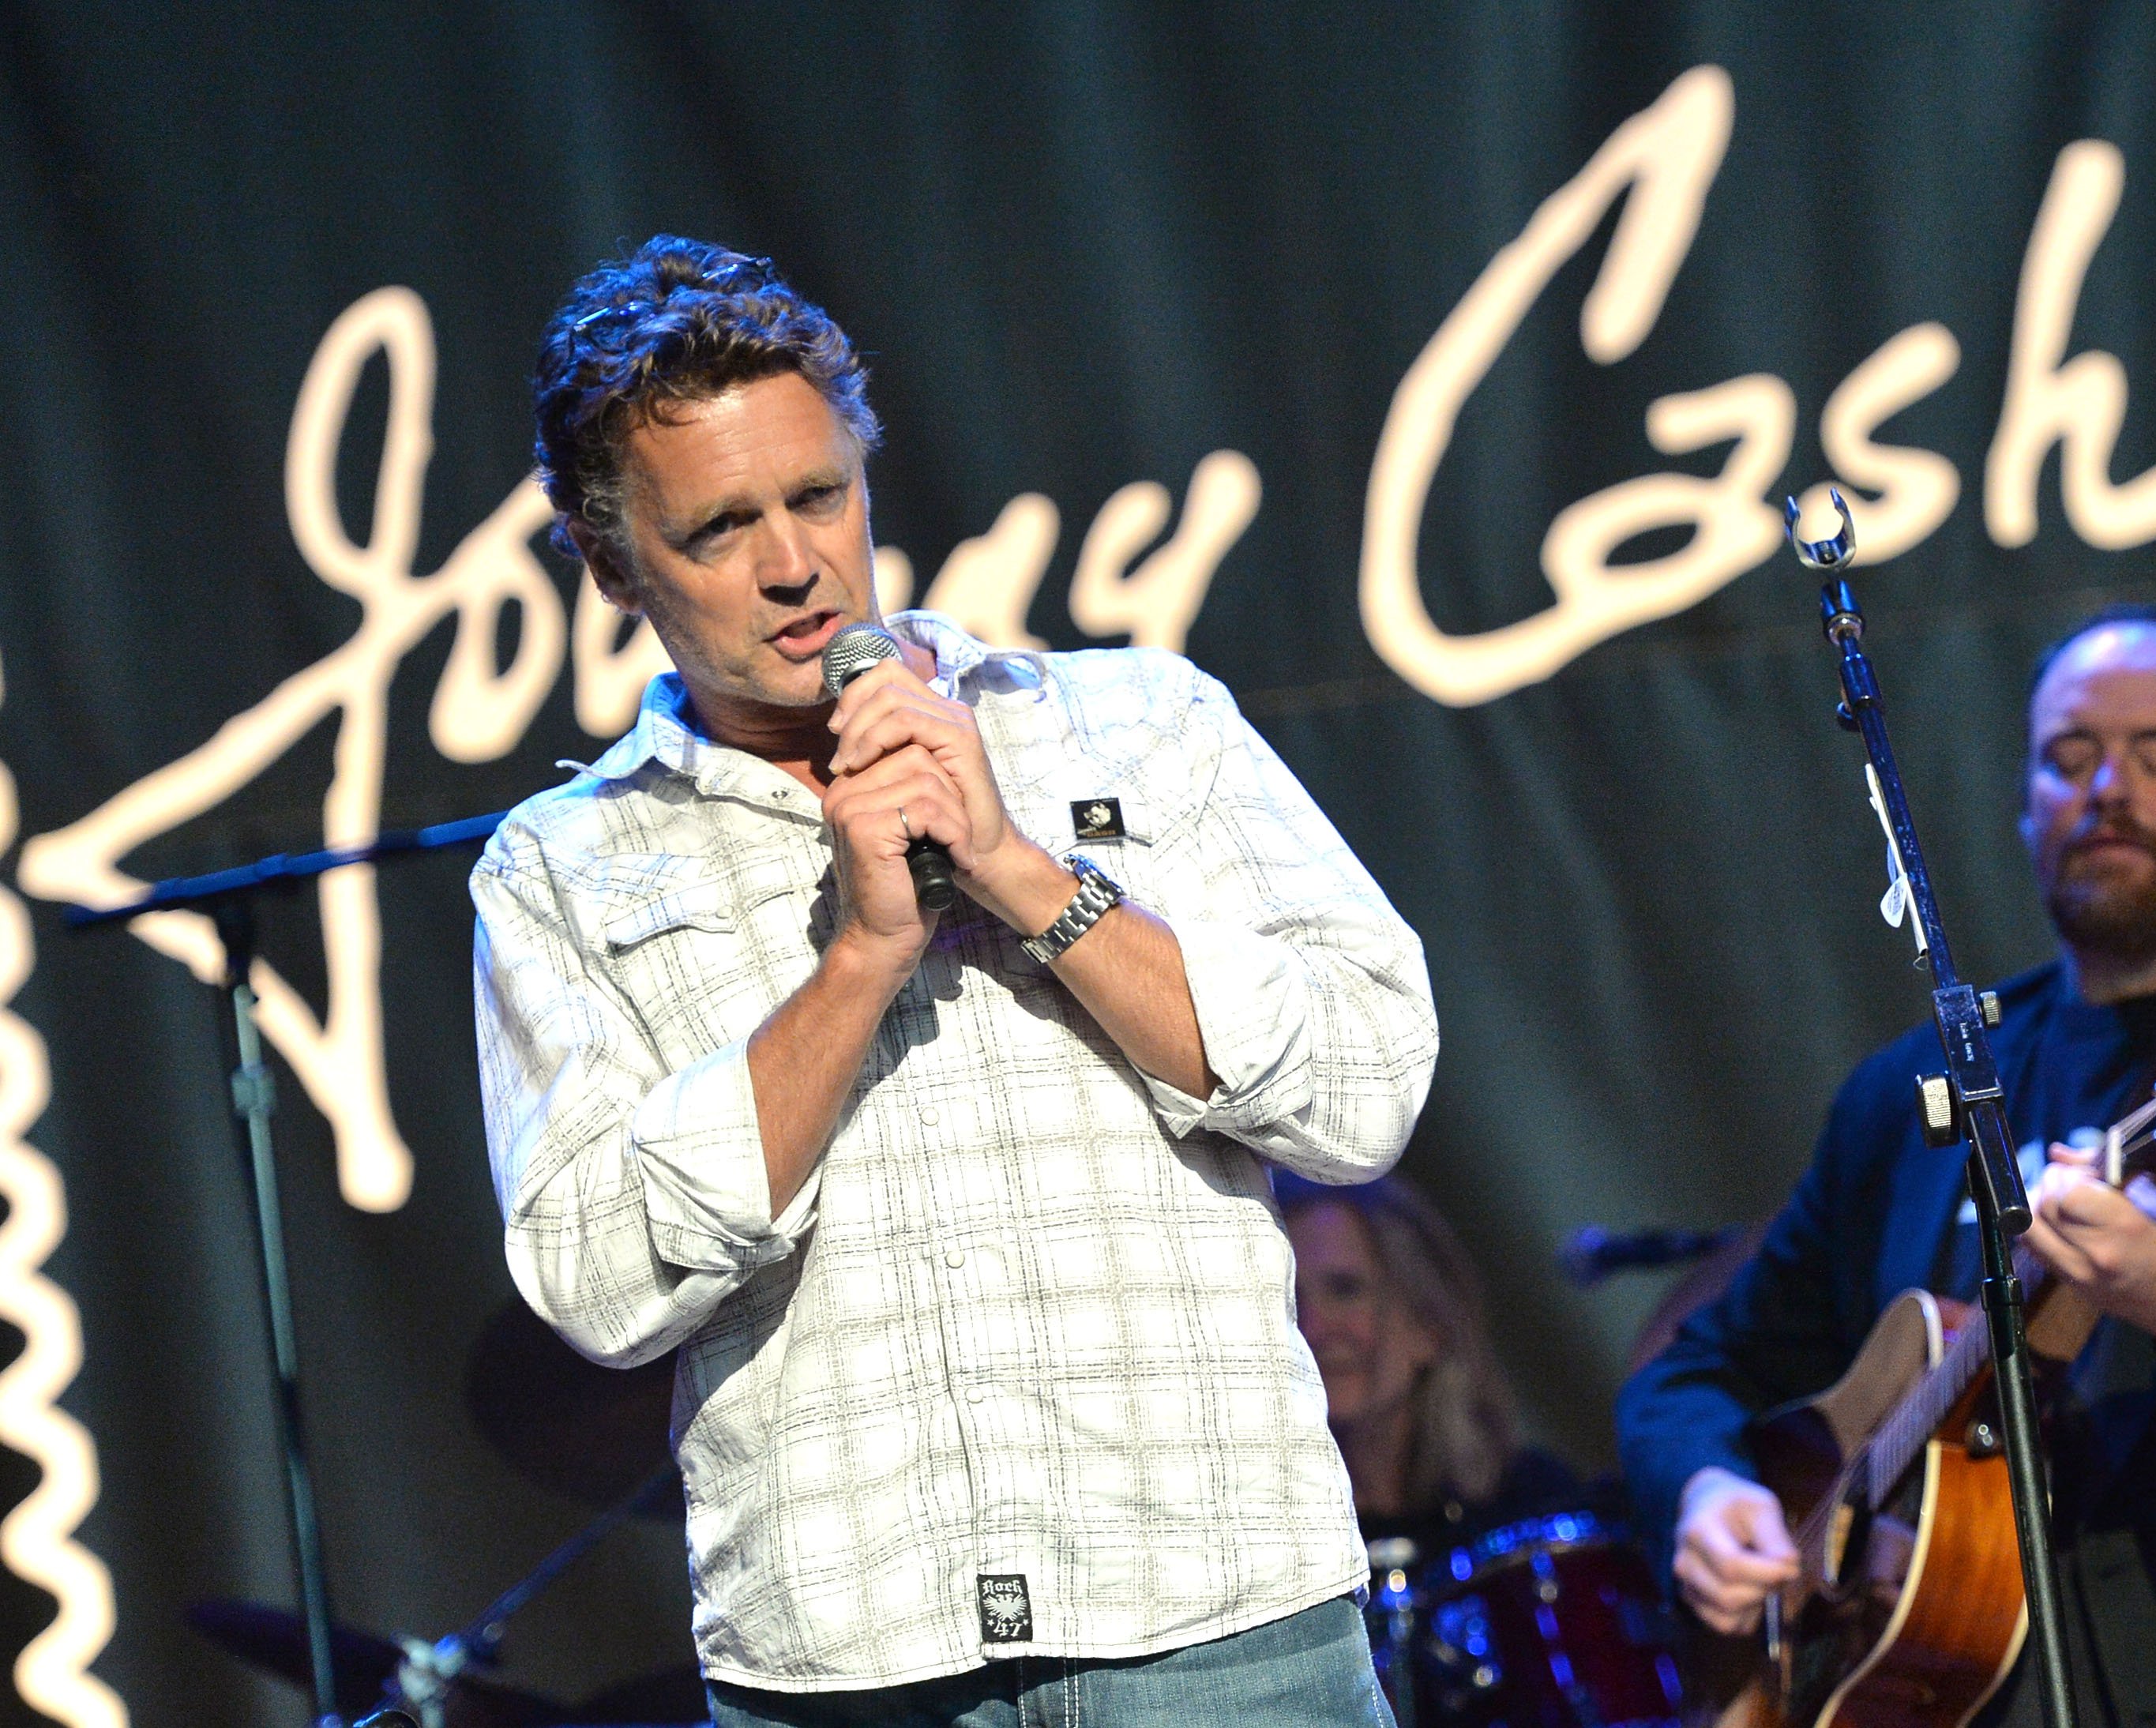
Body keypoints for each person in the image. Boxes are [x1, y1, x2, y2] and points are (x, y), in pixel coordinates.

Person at [471, 236, 1439, 1726]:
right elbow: (600, 1283)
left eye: (819, 495)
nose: (795, 563)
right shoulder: (565, 868)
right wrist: (860, 956)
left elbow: (1365, 1088)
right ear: (609, 562)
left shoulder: (1142, 724)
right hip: (848, 1668)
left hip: (1220, 1627)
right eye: (721, 526)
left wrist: (1019, 871)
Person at [1617, 607, 2156, 1724]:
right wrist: (1707, 1489)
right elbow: (1693, 1371)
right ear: (2025, 806)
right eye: (2068, 759)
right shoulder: (1906, 1098)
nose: (2107, 789)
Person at [1276, 1171, 1583, 1557]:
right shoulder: (1257, 1540)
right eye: (1287, 1301)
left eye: (1345, 1290)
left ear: (1428, 1324)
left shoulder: (1527, 1505)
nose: (1311, 1328)